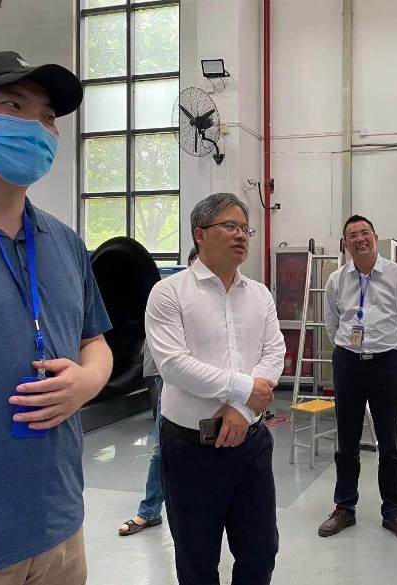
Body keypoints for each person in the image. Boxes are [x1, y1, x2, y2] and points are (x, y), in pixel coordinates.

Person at [0, 52, 113, 584]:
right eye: (13, 106)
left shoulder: (64, 242)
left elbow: (95, 341)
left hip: (60, 530)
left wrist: (86, 382)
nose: (37, 126)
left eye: (47, 116)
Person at [146, 193, 285, 584]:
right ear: (200, 234)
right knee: (197, 561)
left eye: (245, 228)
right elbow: (174, 365)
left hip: (252, 446)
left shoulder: (259, 294)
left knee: (260, 552)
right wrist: (245, 390)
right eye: (230, 226)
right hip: (191, 450)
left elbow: (274, 352)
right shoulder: (169, 293)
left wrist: (242, 409)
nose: (241, 235)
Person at [318, 215, 397, 543]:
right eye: (352, 235)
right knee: (346, 441)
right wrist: (350, 350)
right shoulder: (336, 280)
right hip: (348, 363)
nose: (359, 239)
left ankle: (394, 512)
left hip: (387, 363)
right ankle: (344, 507)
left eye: (365, 233)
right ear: (345, 243)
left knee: (390, 441)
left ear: (375, 237)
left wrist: (391, 351)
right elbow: (332, 323)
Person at [118, 246, 199, 537]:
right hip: (171, 383)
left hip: (209, 388)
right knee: (163, 447)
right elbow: (162, 349)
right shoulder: (167, 294)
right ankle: (149, 511)